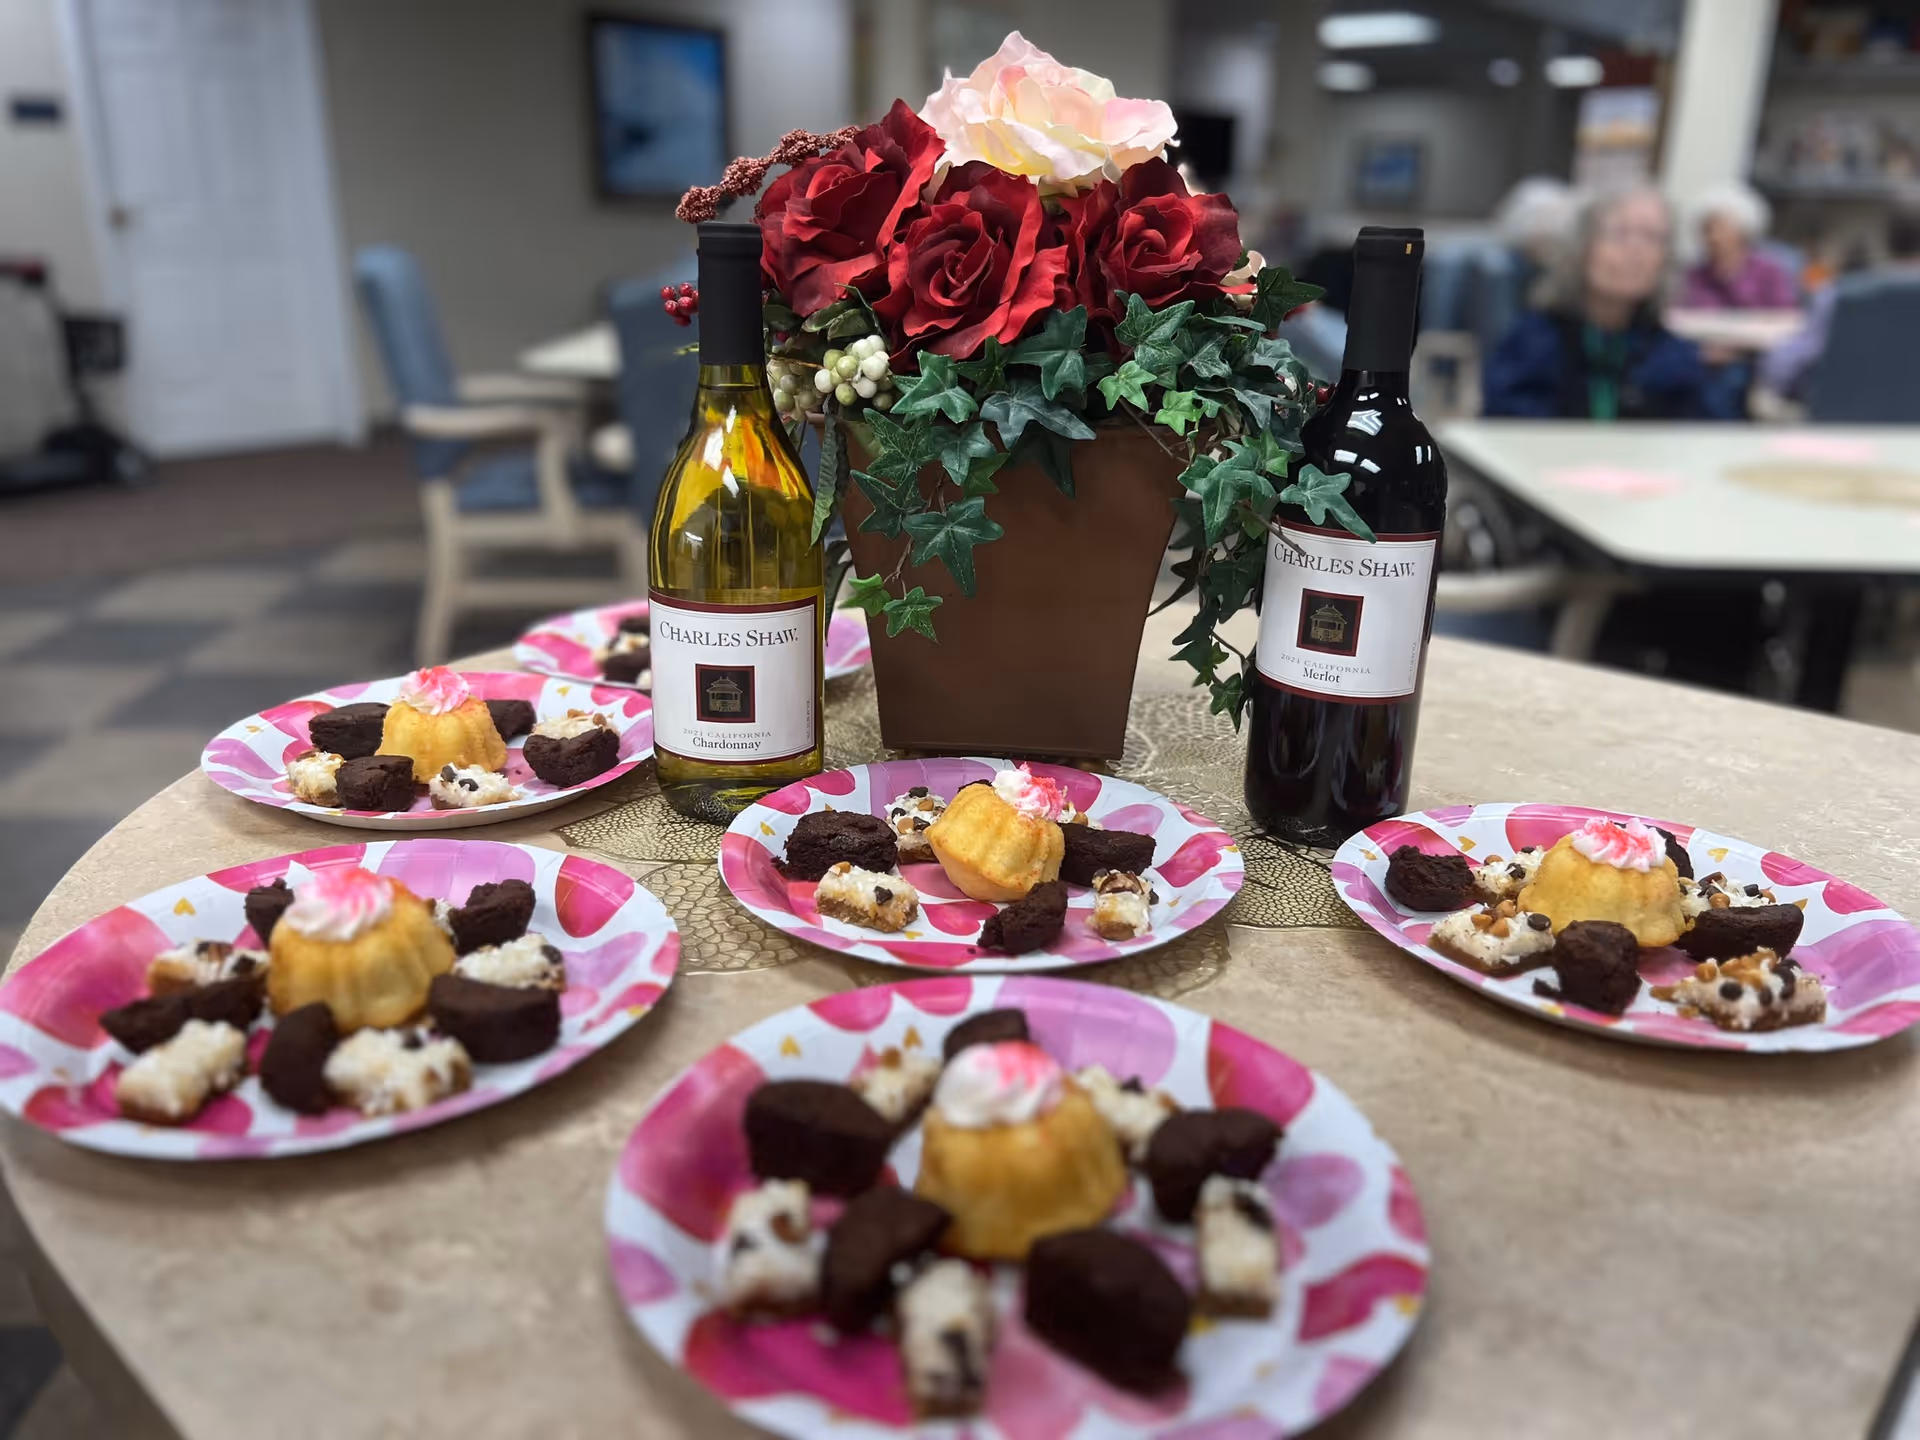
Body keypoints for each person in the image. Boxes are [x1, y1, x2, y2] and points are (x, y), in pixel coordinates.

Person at [1482, 187, 1735, 421]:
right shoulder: (1534, 341)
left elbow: (1702, 437)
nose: (1635, 250)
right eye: (1619, 233)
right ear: (1582, 248)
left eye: (1652, 237)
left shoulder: (1672, 353)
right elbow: (1504, 427)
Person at [1761, 204, 1920, 400]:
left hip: (1848, 420)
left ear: (1889, 240)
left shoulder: (1838, 297)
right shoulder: (1832, 289)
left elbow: (1781, 370)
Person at [1678, 182, 1799, 311]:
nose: (1713, 237)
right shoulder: (1695, 275)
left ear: (1742, 231)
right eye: (1707, 230)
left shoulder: (1770, 273)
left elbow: (1786, 316)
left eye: (1721, 228)